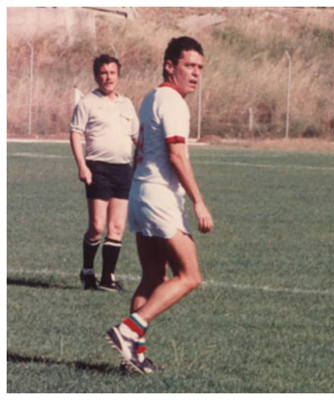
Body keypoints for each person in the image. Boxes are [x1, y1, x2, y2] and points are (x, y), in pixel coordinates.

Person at [105, 36, 214, 374]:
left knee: (153, 276)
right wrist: (199, 202)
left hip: (141, 193)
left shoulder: (152, 97)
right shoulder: (173, 102)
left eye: (199, 68)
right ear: (170, 66)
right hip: (158, 197)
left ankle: (132, 357)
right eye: (188, 66)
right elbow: (177, 155)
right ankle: (128, 330)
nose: (195, 73)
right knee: (190, 275)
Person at [70, 54, 139, 292]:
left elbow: (136, 137)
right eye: (103, 72)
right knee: (98, 226)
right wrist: (82, 166)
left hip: (123, 170)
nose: (108, 77)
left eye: (112, 72)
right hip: (97, 168)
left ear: (118, 76)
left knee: (117, 227)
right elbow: (76, 134)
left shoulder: (127, 104)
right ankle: (87, 271)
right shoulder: (87, 102)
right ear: (96, 76)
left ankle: (108, 278)